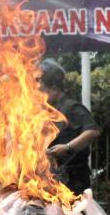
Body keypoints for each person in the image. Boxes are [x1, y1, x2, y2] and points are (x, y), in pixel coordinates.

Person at [39, 58, 100, 194]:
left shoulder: (71, 107)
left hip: (74, 181)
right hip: (53, 179)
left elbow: (92, 131)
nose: (37, 95)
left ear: (54, 89)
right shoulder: (47, 110)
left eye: (41, 91)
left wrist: (67, 147)